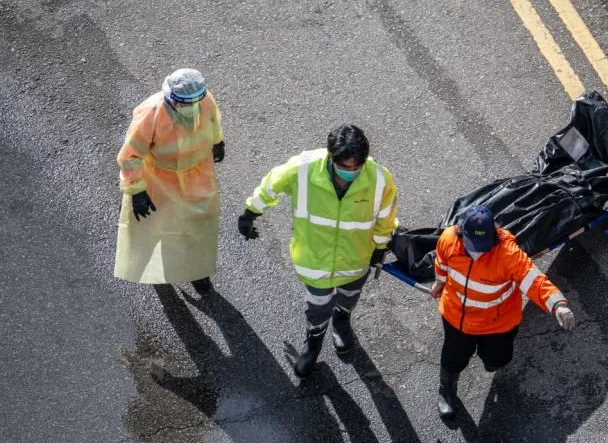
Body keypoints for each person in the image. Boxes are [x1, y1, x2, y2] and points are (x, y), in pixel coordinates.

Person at [238, 124, 398, 379]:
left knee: (350, 296)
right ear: (331, 158)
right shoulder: (303, 169)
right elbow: (271, 185)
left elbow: (386, 218)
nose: (352, 173)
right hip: (315, 260)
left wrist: (380, 248)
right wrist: (251, 212)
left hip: (356, 259)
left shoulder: (380, 179)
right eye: (345, 168)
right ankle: (313, 341)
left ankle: (342, 321)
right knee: (317, 305)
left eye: (357, 168)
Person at [430, 205, 575, 419]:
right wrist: (439, 282)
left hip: (498, 323)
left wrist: (557, 304)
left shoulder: (508, 254)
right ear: (461, 233)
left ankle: (491, 360)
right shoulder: (449, 239)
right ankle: (447, 390)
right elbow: (441, 263)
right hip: (457, 319)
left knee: (498, 359)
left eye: (482, 246)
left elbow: (533, 279)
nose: (478, 253)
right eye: (472, 246)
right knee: (453, 358)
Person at [114, 68, 226, 296]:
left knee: (199, 225)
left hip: (197, 175)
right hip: (161, 180)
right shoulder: (151, 114)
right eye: (184, 103)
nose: (190, 108)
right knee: (163, 229)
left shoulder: (204, 100)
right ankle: (163, 273)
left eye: (195, 102)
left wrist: (218, 141)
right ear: (172, 99)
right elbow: (130, 155)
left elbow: (214, 121)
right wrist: (137, 190)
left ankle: (198, 272)